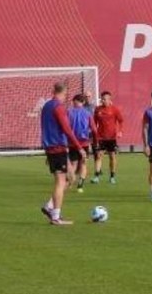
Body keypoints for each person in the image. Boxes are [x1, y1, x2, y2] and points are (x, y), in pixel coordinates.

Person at [39, 83, 84, 225]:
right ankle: (55, 217)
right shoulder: (58, 107)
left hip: (53, 148)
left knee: (71, 178)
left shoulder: (46, 106)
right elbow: (66, 129)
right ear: (64, 93)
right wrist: (79, 147)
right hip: (57, 148)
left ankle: (49, 206)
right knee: (60, 181)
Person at [91, 91, 124, 185]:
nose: (104, 100)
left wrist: (120, 131)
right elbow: (94, 122)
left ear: (110, 99)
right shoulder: (97, 109)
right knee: (99, 156)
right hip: (101, 137)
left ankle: (112, 177)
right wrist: (94, 133)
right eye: (102, 99)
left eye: (106, 99)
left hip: (112, 138)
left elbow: (121, 121)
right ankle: (96, 176)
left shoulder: (114, 109)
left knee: (112, 157)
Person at [67, 94, 96, 192]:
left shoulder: (69, 112)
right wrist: (95, 141)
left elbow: (65, 127)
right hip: (84, 143)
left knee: (73, 164)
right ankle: (80, 185)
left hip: (72, 143)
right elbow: (94, 129)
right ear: (83, 102)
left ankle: (70, 183)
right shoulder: (87, 113)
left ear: (74, 101)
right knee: (83, 163)